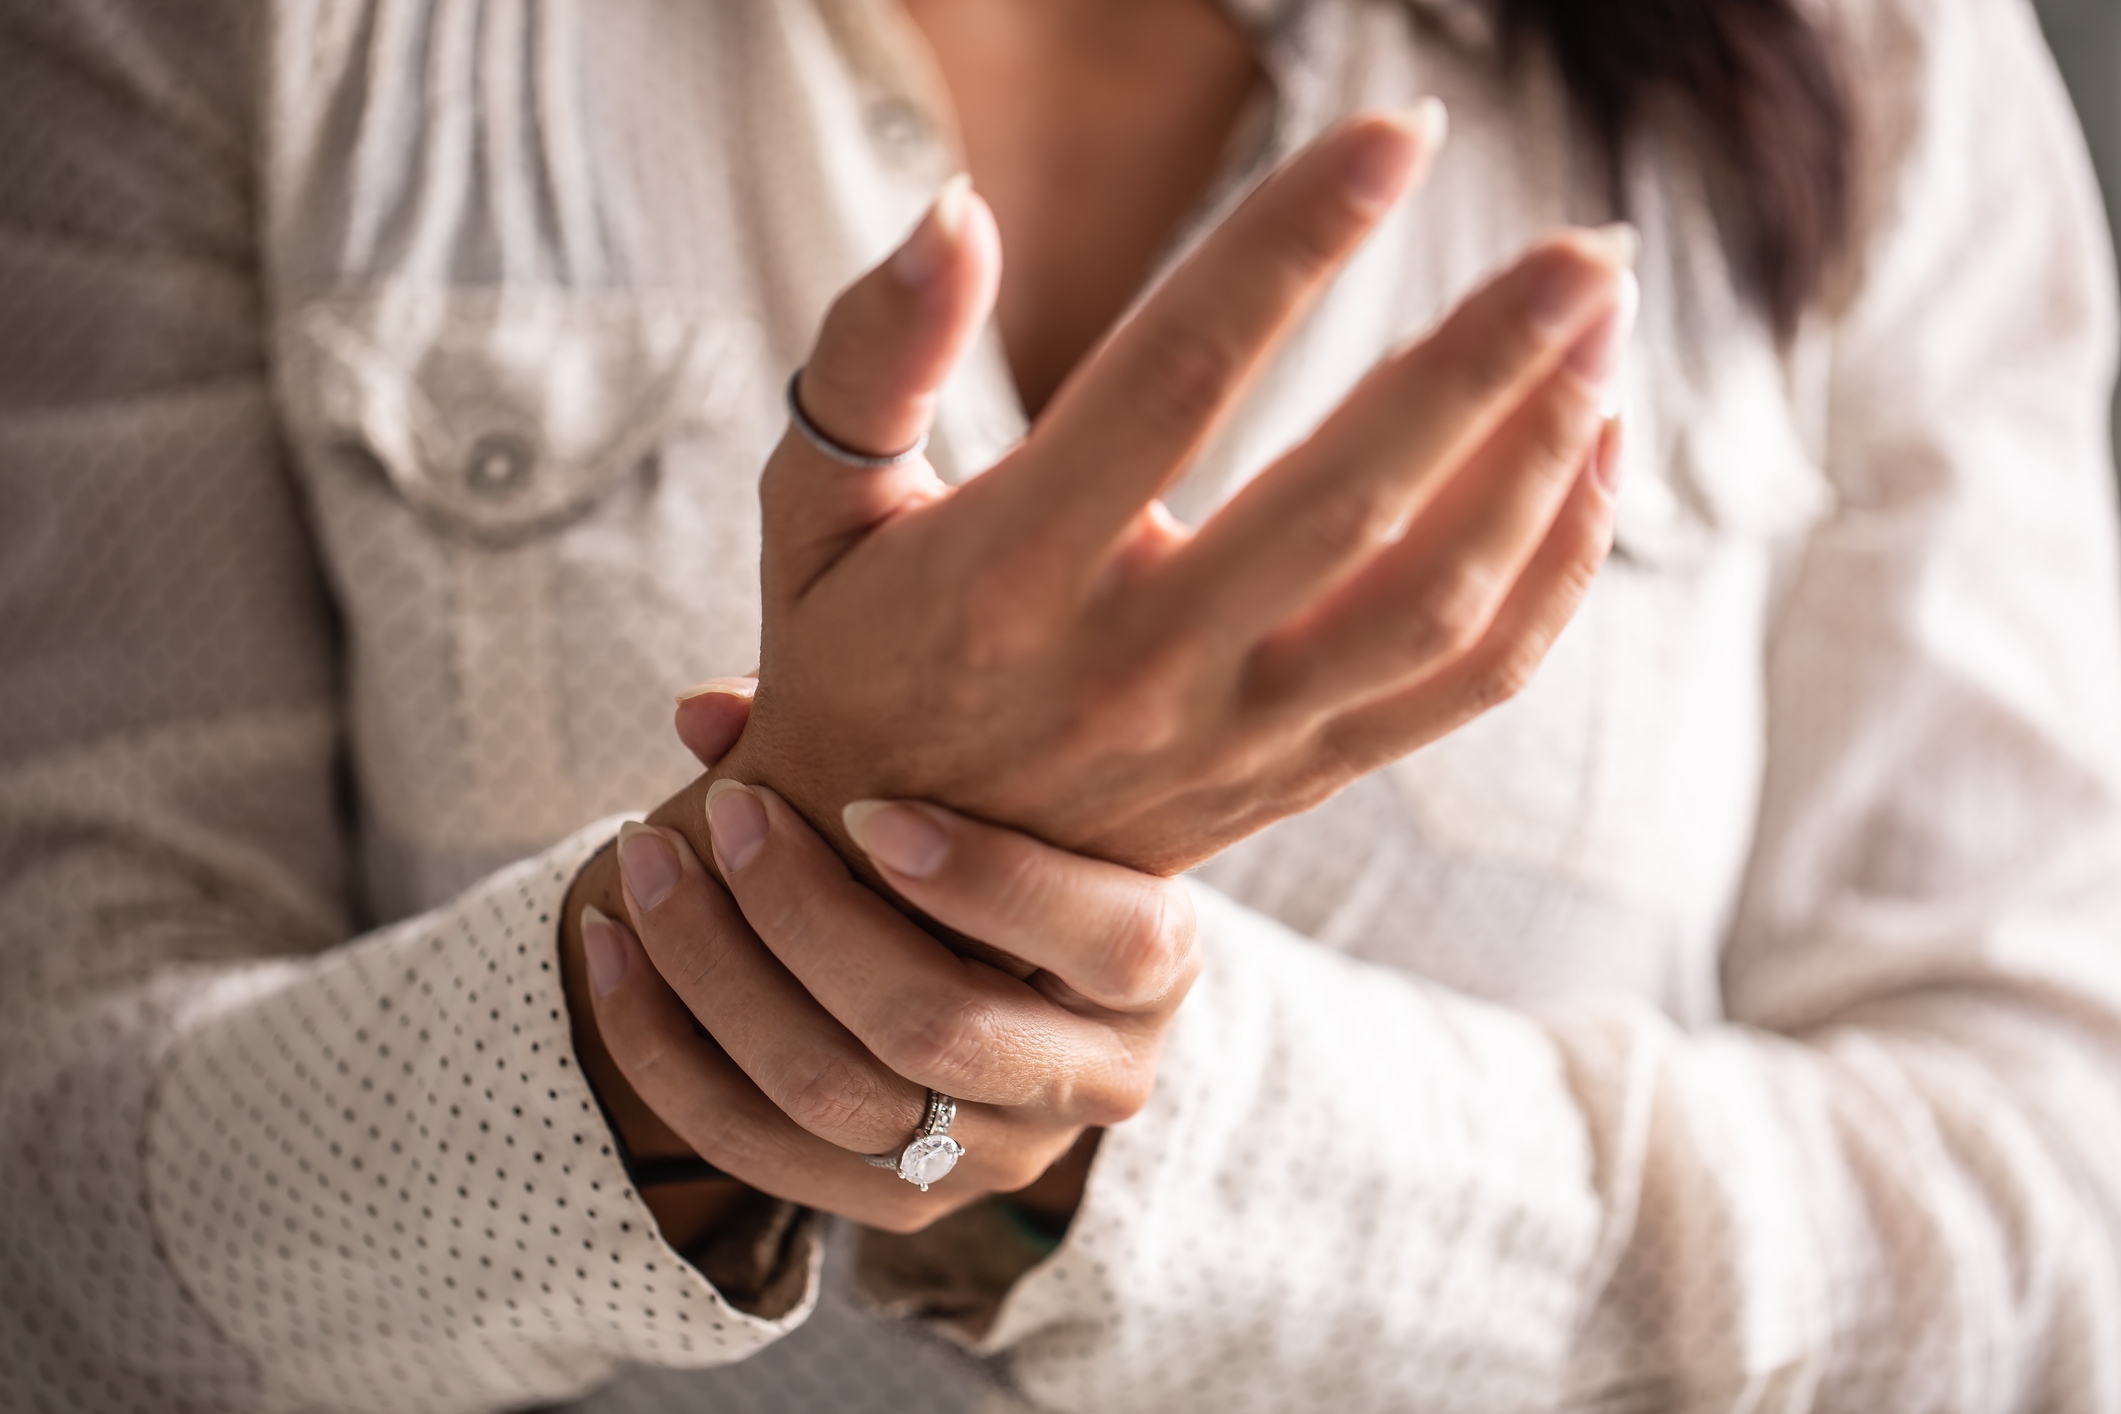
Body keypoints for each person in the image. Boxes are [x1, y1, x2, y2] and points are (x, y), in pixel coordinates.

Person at [2, 0, 2118, 1412]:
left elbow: (2051, 1218)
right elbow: (47, 1195)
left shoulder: (1873, 57)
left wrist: (1120, 1113)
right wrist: (681, 1016)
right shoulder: (233, 37)